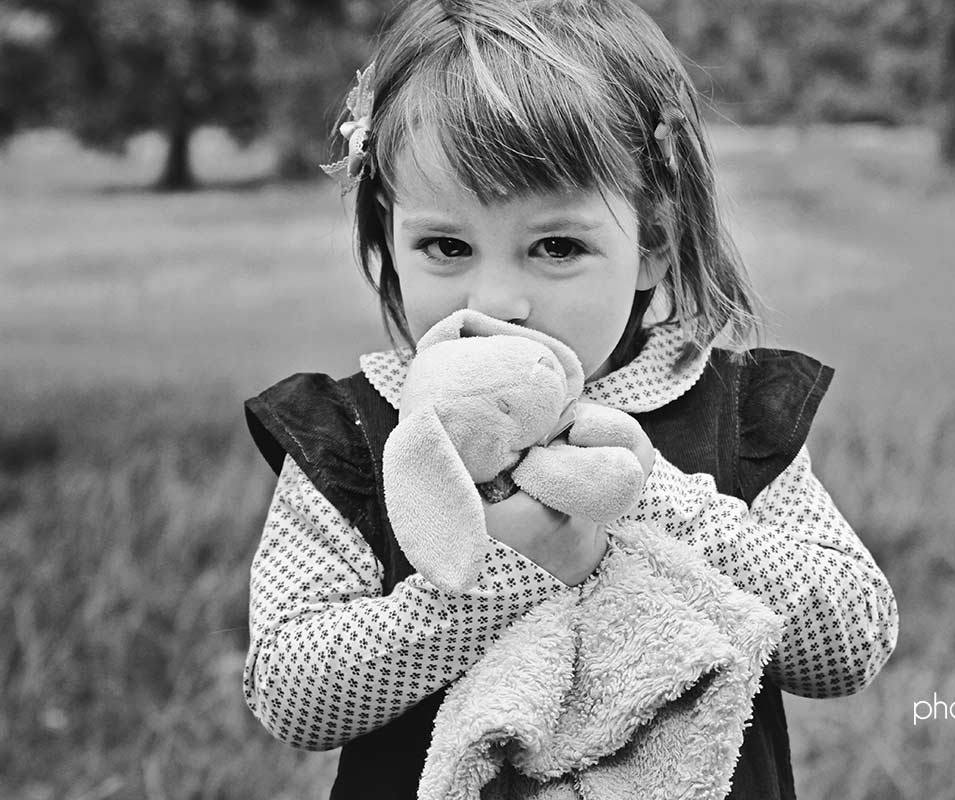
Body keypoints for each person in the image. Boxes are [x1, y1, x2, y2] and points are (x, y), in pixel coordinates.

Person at [243, 1, 899, 797]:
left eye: (556, 246)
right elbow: (290, 694)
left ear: (653, 242)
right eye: (445, 246)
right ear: (389, 235)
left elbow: (852, 640)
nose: (497, 298)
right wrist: (500, 579)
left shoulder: (726, 413)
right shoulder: (354, 433)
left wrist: (647, 495)